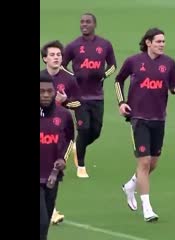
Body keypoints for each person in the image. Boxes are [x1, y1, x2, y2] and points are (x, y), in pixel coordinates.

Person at [115, 27, 175, 222]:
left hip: (159, 118)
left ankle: (131, 185)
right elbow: (118, 80)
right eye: (158, 41)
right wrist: (122, 102)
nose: (162, 45)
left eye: (163, 41)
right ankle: (147, 208)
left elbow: (172, 85)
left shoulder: (169, 63)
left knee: (152, 163)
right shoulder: (134, 61)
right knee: (144, 161)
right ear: (148, 42)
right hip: (139, 118)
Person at [62, 12, 117, 178]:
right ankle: (81, 166)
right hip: (79, 96)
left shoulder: (105, 44)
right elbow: (62, 66)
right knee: (84, 128)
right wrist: (73, 77)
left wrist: (103, 75)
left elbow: (113, 65)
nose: (84, 24)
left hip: (97, 96)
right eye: (82, 22)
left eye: (88, 22)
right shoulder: (73, 46)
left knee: (96, 131)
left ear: (94, 24)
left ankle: (77, 146)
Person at [40, 40, 82, 224]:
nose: (56, 58)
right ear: (45, 59)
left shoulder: (69, 78)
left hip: (58, 129)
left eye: (59, 55)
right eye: (52, 55)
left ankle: (51, 210)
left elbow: (78, 103)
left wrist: (64, 102)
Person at [40, 72, 74, 240]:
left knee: (44, 223)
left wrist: (63, 159)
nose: (46, 95)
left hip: (52, 176)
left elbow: (70, 140)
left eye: (49, 91)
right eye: (41, 91)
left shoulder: (64, 115)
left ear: (55, 92)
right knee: (42, 220)